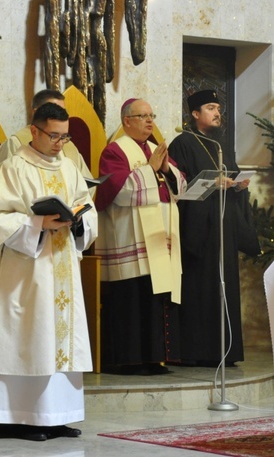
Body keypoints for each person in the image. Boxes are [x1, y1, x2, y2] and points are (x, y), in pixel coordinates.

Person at [0, 102, 97, 441]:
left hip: (62, 266)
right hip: (26, 269)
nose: (60, 142)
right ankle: (16, 419)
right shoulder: (14, 167)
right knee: (30, 338)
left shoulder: (70, 167)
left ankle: (56, 416)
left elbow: (88, 205)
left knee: (58, 339)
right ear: (34, 131)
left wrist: (80, 219)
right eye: (54, 135)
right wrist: (38, 222)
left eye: (65, 136)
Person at [95, 98, 187, 375]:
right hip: (129, 239)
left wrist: (165, 169)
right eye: (142, 116)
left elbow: (180, 186)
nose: (150, 121)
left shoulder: (154, 150)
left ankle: (153, 358)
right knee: (133, 299)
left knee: (156, 297)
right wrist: (150, 169)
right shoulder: (114, 151)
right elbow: (118, 190)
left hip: (159, 238)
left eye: (152, 115)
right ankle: (129, 360)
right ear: (126, 121)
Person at [168, 89, 253, 367]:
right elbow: (177, 188)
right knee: (200, 288)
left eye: (218, 108)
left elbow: (231, 176)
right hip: (199, 230)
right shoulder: (182, 143)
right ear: (195, 114)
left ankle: (225, 351)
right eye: (210, 107)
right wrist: (213, 184)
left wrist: (239, 186)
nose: (217, 113)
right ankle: (197, 351)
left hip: (223, 226)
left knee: (224, 285)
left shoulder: (221, 145)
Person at [0, 89, 93, 181]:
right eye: (52, 110)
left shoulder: (68, 145)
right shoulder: (15, 143)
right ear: (36, 113)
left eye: (62, 111)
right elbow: (5, 185)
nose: (59, 143)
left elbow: (87, 184)